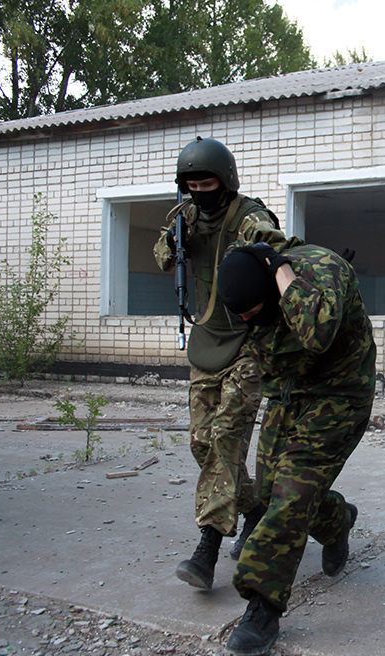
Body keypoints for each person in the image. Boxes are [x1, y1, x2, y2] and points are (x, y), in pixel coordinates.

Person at [215, 239, 376, 656]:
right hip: (290, 393)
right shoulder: (247, 294)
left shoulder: (322, 270)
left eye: (254, 311)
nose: (250, 320)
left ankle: (262, 607)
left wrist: (282, 273)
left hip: (340, 394)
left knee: (293, 493)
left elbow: (317, 333)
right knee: (272, 494)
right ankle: (337, 521)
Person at [153, 137, 285, 590]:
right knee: (201, 444)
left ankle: (207, 545)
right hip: (208, 339)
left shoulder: (248, 214)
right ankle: (253, 511)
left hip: (248, 341)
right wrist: (176, 241)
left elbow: (273, 242)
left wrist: (264, 247)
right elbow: (160, 258)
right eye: (191, 184)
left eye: (206, 182)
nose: (199, 190)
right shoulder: (185, 215)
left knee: (227, 438)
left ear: (225, 180)